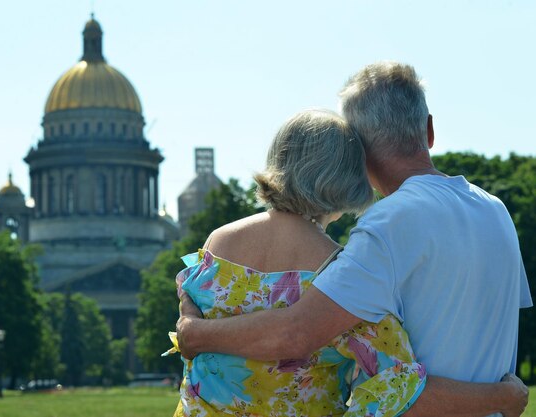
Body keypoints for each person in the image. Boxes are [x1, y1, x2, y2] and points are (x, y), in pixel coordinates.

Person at [176, 62, 531, 416]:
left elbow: (298, 332)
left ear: (360, 149)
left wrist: (193, 334)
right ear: (429, 130)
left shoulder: (386, 222)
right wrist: (503, 398)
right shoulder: (494, 210)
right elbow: (396, 382)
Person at [168, 110, 428, 416]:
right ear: (347, 178)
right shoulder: (342, 271)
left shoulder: (217, 243)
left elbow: (191, 345)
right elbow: (395, 382)